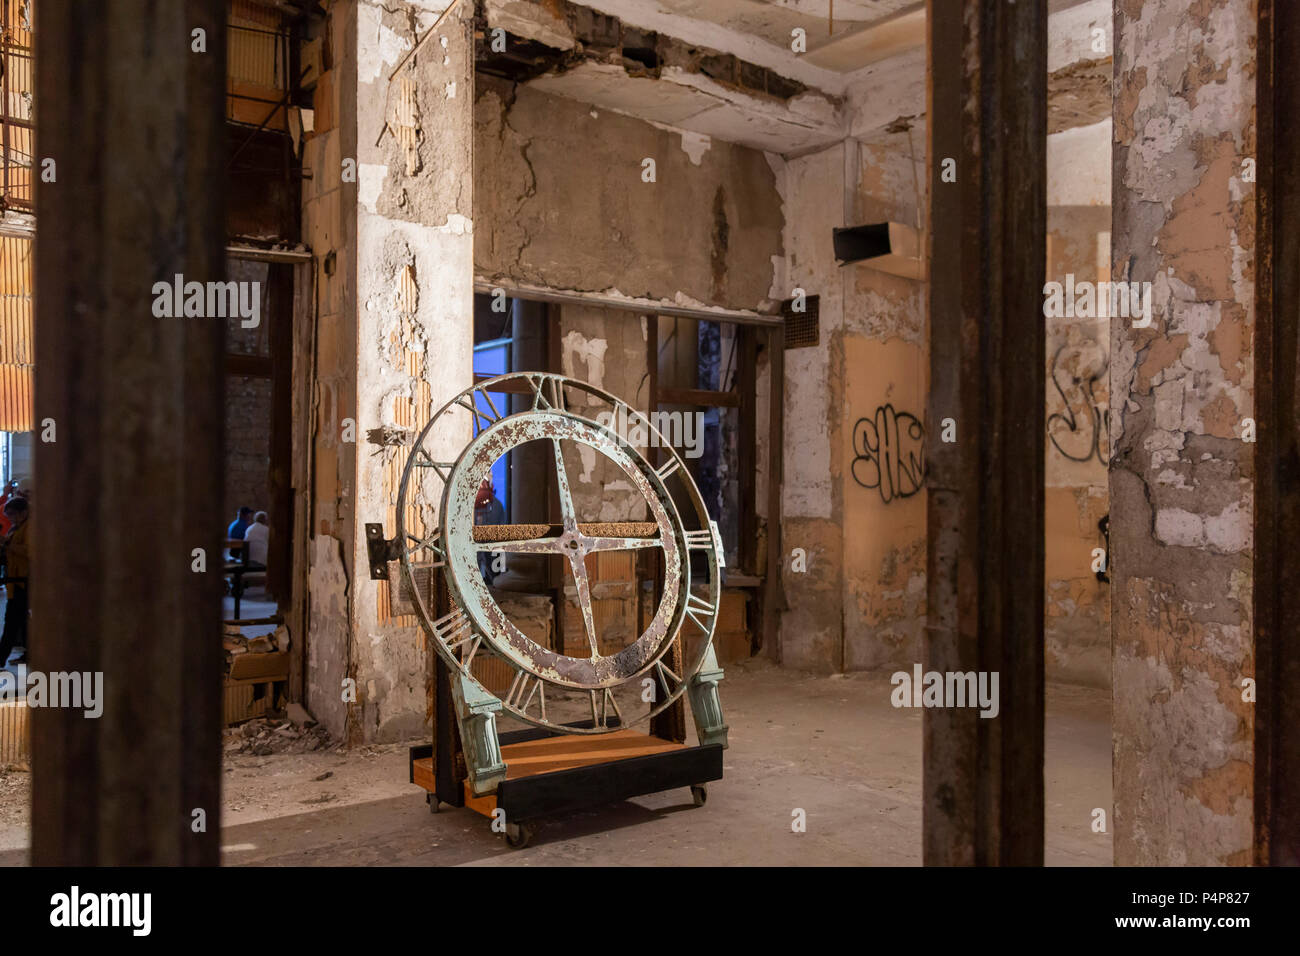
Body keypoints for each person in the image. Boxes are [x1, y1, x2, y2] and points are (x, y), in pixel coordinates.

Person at [0, 496, 29, 668]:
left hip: (23, 581)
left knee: (12, 620)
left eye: (12, 514)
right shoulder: (17, 527)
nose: (10, 518)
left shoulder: (29, 529)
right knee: (20, 621)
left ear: (23, 512)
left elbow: (29, 551)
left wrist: (6, 544)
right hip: (16, 581)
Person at [474, 479, 505, 584]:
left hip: (489, 554)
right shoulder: (497, 505)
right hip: (483, 553)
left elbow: (501, 538)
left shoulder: (497, 506)